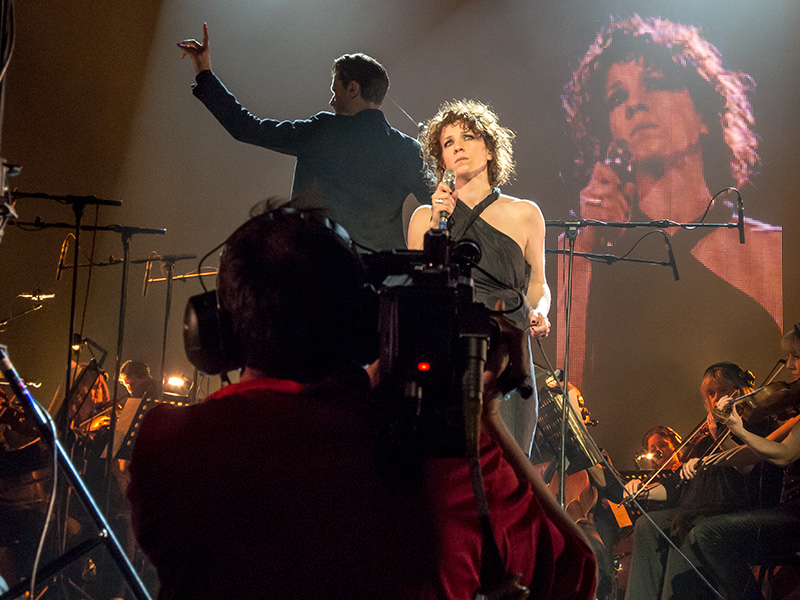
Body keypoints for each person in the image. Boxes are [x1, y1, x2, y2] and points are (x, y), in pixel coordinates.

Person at [127, 206, 596, 599]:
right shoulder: (439, 463)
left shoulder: (167, 445)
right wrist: (484, 417)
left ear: (218, 330)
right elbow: (574, 574)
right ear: (363, 324)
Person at [557, 15, 782, 456]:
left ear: (703, 113)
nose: (634, 105)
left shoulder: (767, 247)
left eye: (656, 84)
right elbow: (568, 387)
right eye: (617, 97)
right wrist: (587, 244)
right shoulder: (583, 246)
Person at [177, 24, 430, 251]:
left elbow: (246, 127)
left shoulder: (322, 131)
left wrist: (204, 73)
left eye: (335, 91)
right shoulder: (408, 149)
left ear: (353, 88)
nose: (331, 101)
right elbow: (438, 202)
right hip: (382, 279)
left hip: (318, 271)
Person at [408, 99, 551, 456]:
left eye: (468, 137)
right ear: (442, 160)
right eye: (448, 142)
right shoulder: (424, 218)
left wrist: (540, 310)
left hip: (508, 353)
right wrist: (437, 224)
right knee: (449, 462)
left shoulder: (525, 213)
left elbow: (538, 283)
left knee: (507, 465)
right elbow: (416, 289)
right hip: (449, 351)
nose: (458, 146)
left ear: (489, 149)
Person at [623, 362, 757, 600]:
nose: (715, 399)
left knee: (684, 524)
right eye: (710, 394)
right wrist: (644, 490)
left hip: (731, 508)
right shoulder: (702, 442)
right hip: (698, 508)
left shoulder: (751, 424)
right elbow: (677, 485)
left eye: (721, 391)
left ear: (737, 391)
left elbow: (749, 466)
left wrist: (720, 435)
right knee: (646, 524)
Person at [687, 324, 800, 600]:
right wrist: (707, 461)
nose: (789, 365)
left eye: (796, 357)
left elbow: (785, 454)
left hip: (796, 517)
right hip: (789, 513)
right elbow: (754, 453)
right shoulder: (796, 415)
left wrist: (739, 430)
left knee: (708, 533)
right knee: (701, 536)